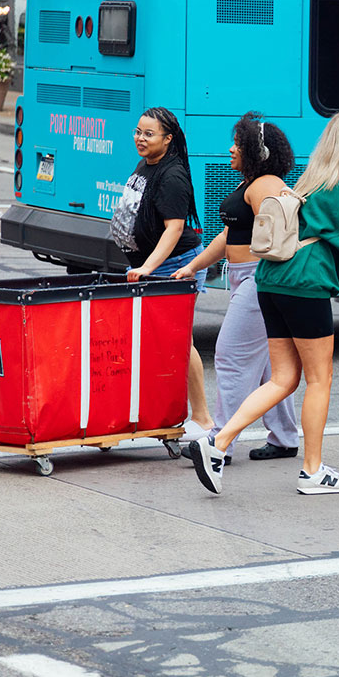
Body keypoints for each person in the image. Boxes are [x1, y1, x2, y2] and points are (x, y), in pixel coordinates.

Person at [189, 111, 339, 496]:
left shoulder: (310, 181)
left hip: (269, 281)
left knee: (284, 378)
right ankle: (312, 471)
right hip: (304, 286)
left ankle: (216, 443)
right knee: (320, 379)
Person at [172, 112, 300, 464]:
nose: (230, 149)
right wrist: (192, 266)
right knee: (265, 368)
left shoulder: (265, 186)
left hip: (259, 279)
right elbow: (229, 235)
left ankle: (217, 441)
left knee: (230, 357)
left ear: (256, 152)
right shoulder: (252, 184)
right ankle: (285, 438)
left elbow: (279, 235)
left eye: (237, 144)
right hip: (246, 277)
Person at [109, 106, 214, 432]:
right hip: (152, 265)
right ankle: (160, 410)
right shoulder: (147, 163)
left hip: (175, 267)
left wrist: (148, 268)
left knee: (180, 342)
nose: (140, 138)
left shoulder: (172, 176)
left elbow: (173, 229)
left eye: (149, 134)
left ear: (168, 139)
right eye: (138, 132)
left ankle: (202, 417)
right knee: (157, 343)